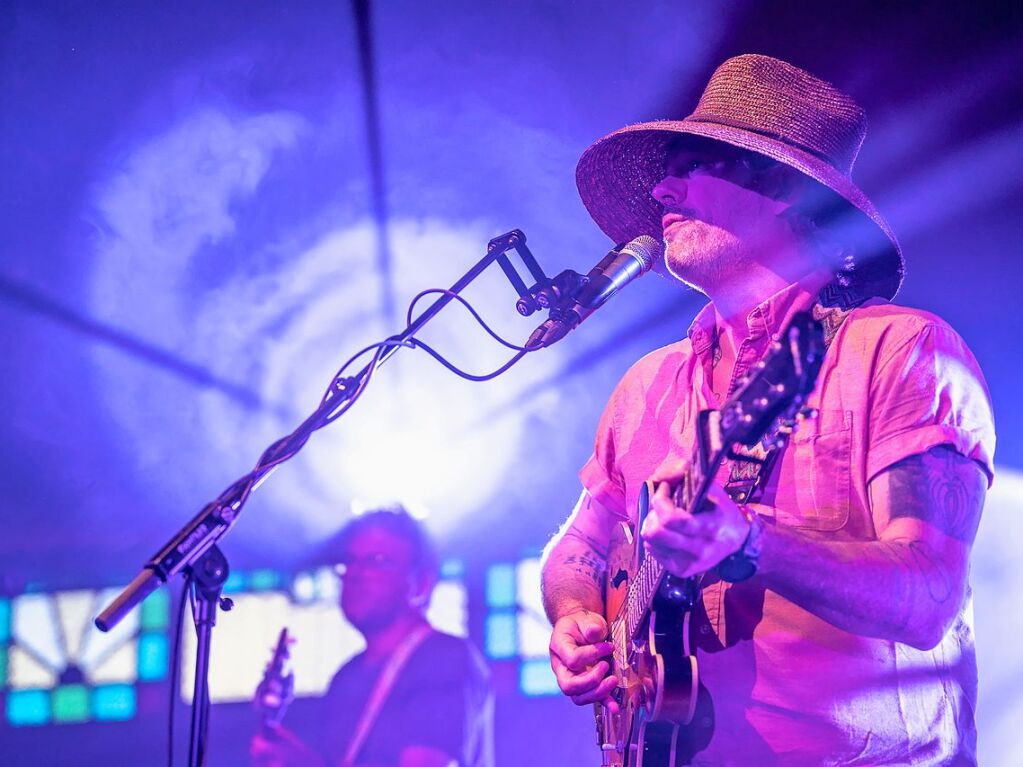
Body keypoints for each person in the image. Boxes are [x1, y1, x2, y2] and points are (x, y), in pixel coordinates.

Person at [541, 54, 995, 765]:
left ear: (789, 191)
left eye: (691, 164)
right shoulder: (646, 386)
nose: (661, 187)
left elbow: (929, 596)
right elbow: (577, 547)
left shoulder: (900, 350)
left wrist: (751, 544)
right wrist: (574, 616)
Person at [251, 506, 494, 767]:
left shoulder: (443, 658)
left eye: (376, 560)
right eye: (349, 562)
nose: (356, 573)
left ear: (421, 583)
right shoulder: (346, 677)